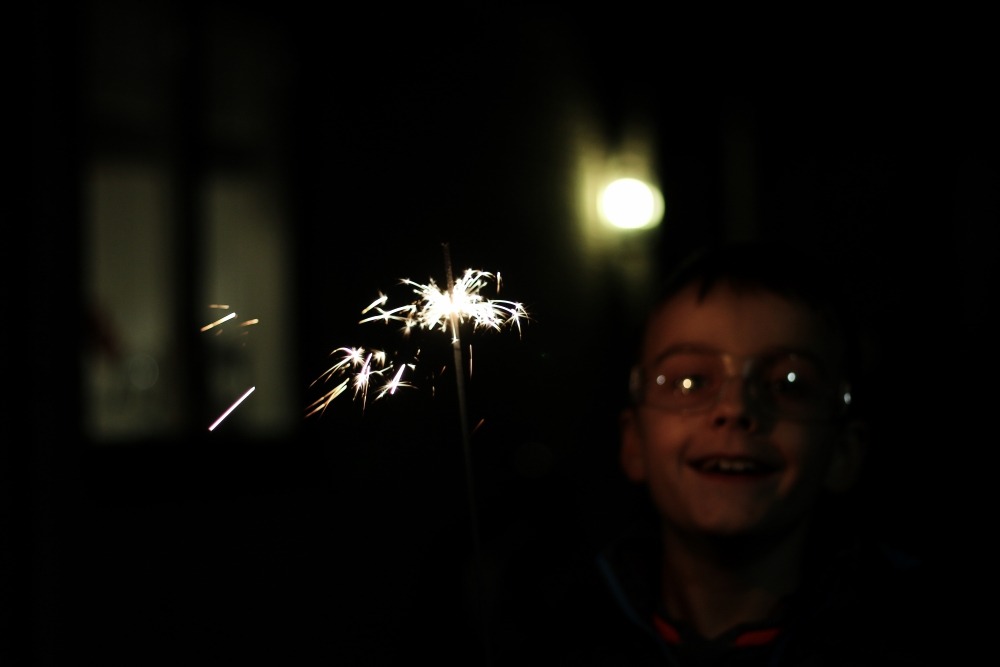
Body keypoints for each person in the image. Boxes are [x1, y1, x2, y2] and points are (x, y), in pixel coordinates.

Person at [489, 240, 945, 666]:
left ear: (844, 451)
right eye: (690, 380)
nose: (736, 408)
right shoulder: (549, 637)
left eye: (790, 385)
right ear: (634, 443)